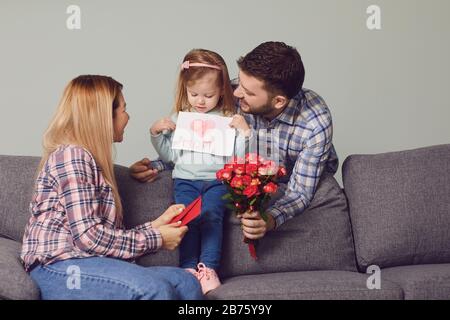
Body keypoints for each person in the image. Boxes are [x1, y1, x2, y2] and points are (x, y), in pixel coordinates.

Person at [130, 41, 338, 255]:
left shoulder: (314, 122)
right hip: (240, 172)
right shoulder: (227, 93)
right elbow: (201, 141)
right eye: (239, 83)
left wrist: (270, 219)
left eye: (247, 91)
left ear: (278, 101)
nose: (236, 93)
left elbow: (301, 191)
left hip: (293, 178)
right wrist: (156, 165)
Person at [20, 75, 203, 300]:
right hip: (61, 268)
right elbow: (89, 238)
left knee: (187, 282)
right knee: (153, 289)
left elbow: (104, 238)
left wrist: (155, 226)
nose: (128, 116)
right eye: (124, 109)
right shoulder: (72, 156)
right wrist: (158, 238)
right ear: (104, 116)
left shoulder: (93, 162)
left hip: (92, 261)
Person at [148, 49, 249, 294]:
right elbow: (170, 156)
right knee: (187, 221)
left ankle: (208, 268)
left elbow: (237, 158)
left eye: (208, 95)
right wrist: (156, 133)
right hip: (185, 180)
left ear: (222, 91)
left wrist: (244, 133)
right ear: (185, 90)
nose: (200, 101)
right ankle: (188, 269)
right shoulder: (179, 118)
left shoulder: (227, 118)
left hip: (217, 181)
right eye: (193, 94)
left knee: (213, 217)